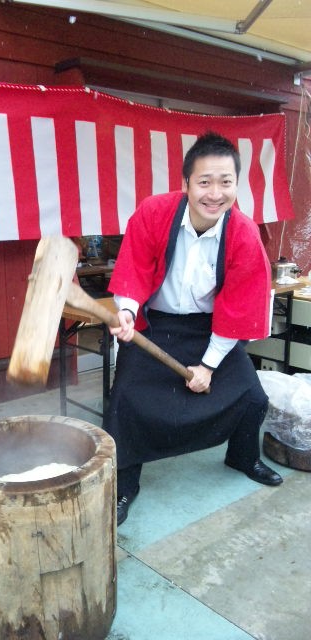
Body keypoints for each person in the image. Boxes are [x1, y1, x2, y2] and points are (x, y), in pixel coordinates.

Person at [104, 131, 282, 527]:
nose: (215, 193)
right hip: (154, 324)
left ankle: (243, 456)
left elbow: (238, 307)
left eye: (225, 182)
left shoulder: (244, 234)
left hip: (211, 328)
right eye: (204, 182)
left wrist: (210, 366)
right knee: (126, 401)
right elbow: (132, 269)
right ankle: (123, 485)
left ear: (237, 184)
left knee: (252, 396)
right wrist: (128, 312)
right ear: (185, 184)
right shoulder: (154, 213)